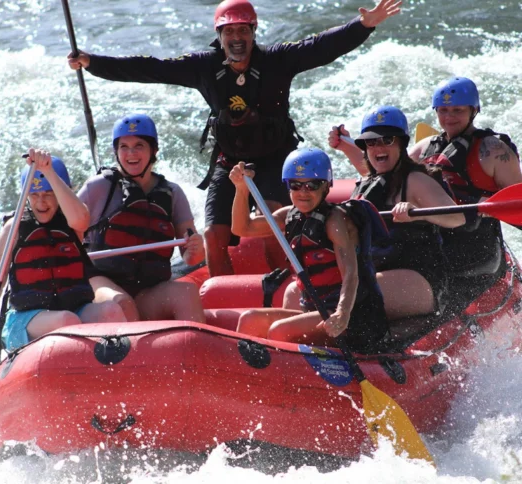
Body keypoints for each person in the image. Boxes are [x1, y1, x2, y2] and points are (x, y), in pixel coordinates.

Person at [68, 0, 402, 277]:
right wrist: (93, 63)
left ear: (254, 33)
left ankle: (288, 284)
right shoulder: (203, 66)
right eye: (230, 32)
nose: (237, 38)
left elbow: (322, 47)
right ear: (220, 36)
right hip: (230, 161)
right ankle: (224, 297)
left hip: (276, 159)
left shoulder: (277, 60)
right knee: (214, 235)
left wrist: (364, 25)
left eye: (244, 30)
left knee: (273, 223)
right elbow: (150, 67)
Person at [0, 150, 126, 363]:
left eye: (49, 194)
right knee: (67, 320)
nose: (41, 203)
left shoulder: (72, 223)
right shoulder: (13, 229)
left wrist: (48, 170)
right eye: (34, 195)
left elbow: (81, 219)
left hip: (73, 310)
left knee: (112, 311)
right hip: (25, 321)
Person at [228, 148, 389, 352]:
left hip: (351, 315)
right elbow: (242, 228)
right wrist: (241, 188)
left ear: (326, 187)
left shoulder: (335, 220)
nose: (303, 192)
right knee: (249, 320)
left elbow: (351, 273)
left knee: (279, 331)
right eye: (296, 185)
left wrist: (342, 314)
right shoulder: (288, 216)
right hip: (316, 310)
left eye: (312, 185)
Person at [328, 106, 465, 320]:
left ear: (402, 143)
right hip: (379, 271)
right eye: (371, 142)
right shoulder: (369, 181)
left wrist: (417, 213)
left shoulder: (416, 181)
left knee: (352, 297)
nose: (378, 147)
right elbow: (371, 168)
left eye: (387, 140)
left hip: (420, 281)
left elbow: (457, 217)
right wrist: (346, 146)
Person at [78, 114, 206, 323]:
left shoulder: (172, 193)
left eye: (139, 145)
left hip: (147, 290)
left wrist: (196, 247)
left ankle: (196, 353)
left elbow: (192, 258)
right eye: (124, 147)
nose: (131, 153)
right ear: (116, 152)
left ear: (153, 150)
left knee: (186, 292)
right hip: (101, 283)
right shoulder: (98, 187)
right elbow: (65, 230)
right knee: (123, 304)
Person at [410, 77, 522, 304]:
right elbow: (385, 179)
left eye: (457, 110)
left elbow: (518, 205)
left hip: (477, 253)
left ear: (474, 110)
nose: (449, 117)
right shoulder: (425, 147)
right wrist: (347, 146)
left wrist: (485, 203)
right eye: (443, 110)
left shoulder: (493, 151)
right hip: (432, 248)